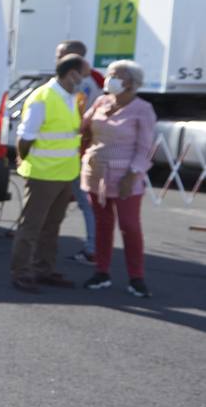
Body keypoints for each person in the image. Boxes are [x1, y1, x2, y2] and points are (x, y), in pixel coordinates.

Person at [79, 59, 156, 297]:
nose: (110, 78)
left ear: (132, 83)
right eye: (110, 74)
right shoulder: (101, 101)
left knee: (129, 226)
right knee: (103, 224)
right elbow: (84, 128)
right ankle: (101, 271)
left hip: (126, 176)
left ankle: (136, 277)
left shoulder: (142, 109)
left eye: (116, 75)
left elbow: (145, 147)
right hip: (96, 172)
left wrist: (132, 175)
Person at [10, 53, 86, 293]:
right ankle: (21, 272)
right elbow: (26, 135)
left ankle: (44, 268)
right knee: (32, 226)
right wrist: (23, 158)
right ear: (71, 74)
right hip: (43, 174)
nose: (84, 79)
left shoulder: (70, 97)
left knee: (52, 226)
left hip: (63, 173)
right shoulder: (43, 96)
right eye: (82, 74)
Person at [56, 40, 103, 264]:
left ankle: (92, 248)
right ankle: (42, 236)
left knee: (85, 202)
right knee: (59, 197)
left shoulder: (86, 82)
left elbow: (82, 119)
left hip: (78, 153)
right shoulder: (71, 81)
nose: (57, 59)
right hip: (67, 152)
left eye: (61, 54)